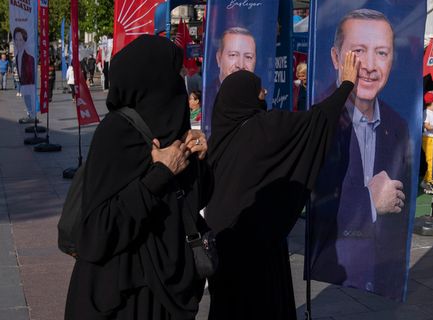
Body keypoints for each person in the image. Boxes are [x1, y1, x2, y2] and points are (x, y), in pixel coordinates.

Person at [64, 35, 211, 320]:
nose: (182, 78)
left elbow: (196, 202)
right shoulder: (117, 134)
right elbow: (97, 231)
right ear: (155, 78)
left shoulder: (175, 130)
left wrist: (201, 162)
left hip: (168, 292)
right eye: (176, 72)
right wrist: (159, 175)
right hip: (122, 296)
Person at [205, 52, 359, 320]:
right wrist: (345, 84)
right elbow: (316, 121)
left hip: (224, 238)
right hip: (256, 244)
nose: (264, 92)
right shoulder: (263, 128)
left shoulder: (220, 136)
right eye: (258, 89)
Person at [309, 8, 411, 300]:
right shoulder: (319, 117)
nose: (368, 65)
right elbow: (314, 192)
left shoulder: (398, 125)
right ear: (335, 57)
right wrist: (370, 200)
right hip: (332, 272)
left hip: (383, 279)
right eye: (357, 52)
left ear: (392, 60)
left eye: (381, 52)